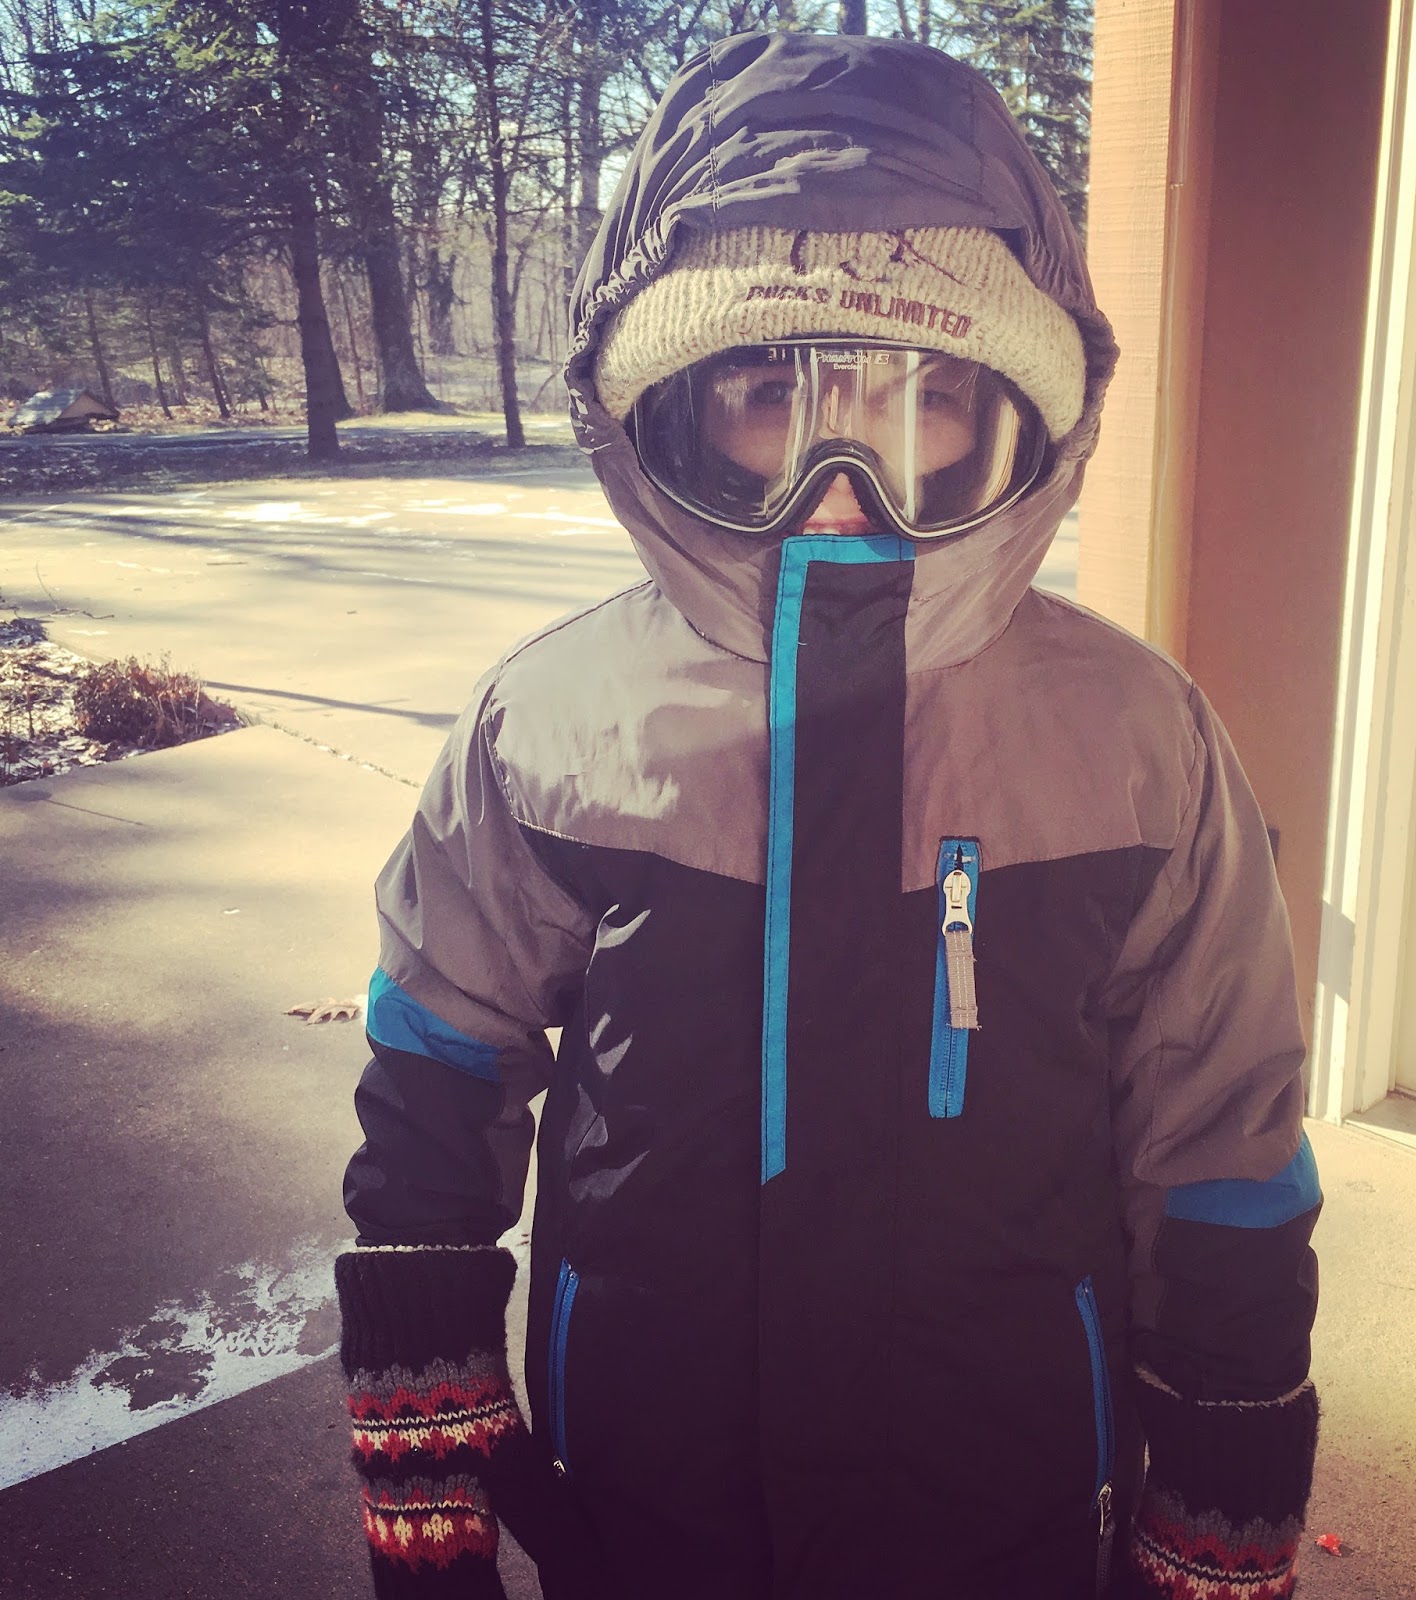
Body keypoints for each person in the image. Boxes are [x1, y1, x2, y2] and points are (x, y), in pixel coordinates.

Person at [335, 30, 1321, 1600]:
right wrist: (424, 1419)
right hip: (651, 1476)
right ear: (667, 415)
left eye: (923, 401)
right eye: (763, 396)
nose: (842, 482)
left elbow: (1223, 1136)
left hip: (1003, 1480)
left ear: (1016, 421)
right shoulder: (558, 724)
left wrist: (1224, 1469)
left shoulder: (1136, 742)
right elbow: (437, 1078)